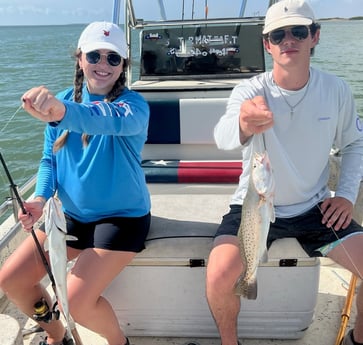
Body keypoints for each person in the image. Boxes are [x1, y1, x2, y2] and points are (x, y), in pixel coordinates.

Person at [205, 1, 363, 345]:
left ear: (314, 36)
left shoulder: (336, 90)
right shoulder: (250, 91)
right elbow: (223, 137)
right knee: (218, 275)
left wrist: (347, 197)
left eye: (299, 31)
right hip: (253, 207)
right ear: (267, 44)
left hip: (315, 208)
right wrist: (244, 124)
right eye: (278, 34)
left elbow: (354, 145)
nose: (288, 39)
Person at [0, 21, 150, 345]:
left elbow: (100, 120)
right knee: (11, 279)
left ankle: (118, 342)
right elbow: (48, 161)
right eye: (95, 55)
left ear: (123, 65)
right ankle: (57, 336)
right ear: (80, 58)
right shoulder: (64, 103)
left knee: (79, 301)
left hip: (121, 218)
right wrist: (39, 200)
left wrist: (60, 111)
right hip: (68, 217)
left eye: (113, 58)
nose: (103, 64)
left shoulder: (134, 107)